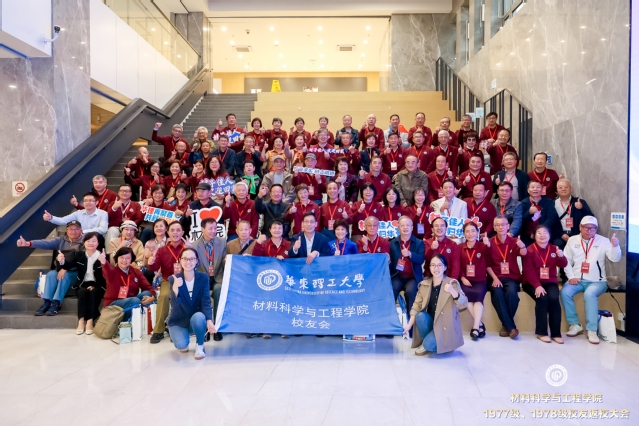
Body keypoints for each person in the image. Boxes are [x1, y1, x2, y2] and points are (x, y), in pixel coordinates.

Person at [561, 216, 622, 344]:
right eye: (586, 227)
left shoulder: (603, 241)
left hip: (598, 281)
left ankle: (592, 330)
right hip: (577, 279)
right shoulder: (572, 240)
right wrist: (571, 277)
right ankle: (575, 324)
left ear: (596, 229)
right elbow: (566, 261)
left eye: (592, 228)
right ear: (580, 227)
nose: (589, 230)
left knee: (589, 294)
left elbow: (615, 258)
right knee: (565, 292)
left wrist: (615, 246)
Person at [404, 254, 468, 355]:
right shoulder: (424, 284)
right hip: (432, 323)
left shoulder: (452, 283)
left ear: (445, 267)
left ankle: (438, 344)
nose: (436, 268)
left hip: (445, 326)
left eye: (439, 265)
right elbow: (416, 306)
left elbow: (463, 304)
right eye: (433, 265)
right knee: (420, 316)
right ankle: (429, 341)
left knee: (429, 345)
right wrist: (409, 325)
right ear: (429, 267)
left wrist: (452, 291)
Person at [18, 221, 84, 316]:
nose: (74, 231)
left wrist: (65, 268)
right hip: (60, 269)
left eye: (76, 229)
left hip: (75, 272)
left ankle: (57, 303)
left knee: (64, 276)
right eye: (71, 229)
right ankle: (47, 302)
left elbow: (82, 258)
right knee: (51, 274)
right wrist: (28, 243)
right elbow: (46, 243)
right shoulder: (61, 240)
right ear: (67, 230)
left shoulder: (85, 241)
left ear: (81, 230)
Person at [522, 225, 568, 344]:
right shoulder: (530, 250)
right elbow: (528, 270)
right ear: (533, 236)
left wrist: (561, 256)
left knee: (554, 299)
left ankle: (556, 333)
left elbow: (563, 264)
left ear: (549, 235)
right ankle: (542, 332)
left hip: (550, 281)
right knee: (542, 298)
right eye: (539, 233)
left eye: (545, 233)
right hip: (531, 282)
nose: (542, 235)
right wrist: (537, 286)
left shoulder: (554, 249)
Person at [167, 248, 216, 360]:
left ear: (197, 260)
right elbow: (174, 305)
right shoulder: (174, 279)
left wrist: (209, 320)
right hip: (179, 320)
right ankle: (184, 337)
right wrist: (175, 289)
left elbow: (206, 301)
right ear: (180, 260)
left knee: (199, 317)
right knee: (181, 345)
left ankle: (200, 345)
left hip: (196, 319)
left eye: (192, 259)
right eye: (185, 259)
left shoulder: (203, 277)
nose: (188, 262)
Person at [147, 222, 188, 343]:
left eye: (178, 230)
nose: (175, 233)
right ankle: (158, 330)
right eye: (172, 230)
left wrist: (191, 250)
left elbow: (197, 264)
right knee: (164, 296)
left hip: (186, 280)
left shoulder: (187, 247)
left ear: (182, 232)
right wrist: (151, 262)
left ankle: (181, 327)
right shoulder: (162, 250)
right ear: (168, 232)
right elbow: (154, 267)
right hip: (168, 280)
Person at [487, 215, 527, 339]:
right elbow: (487, 265)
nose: (501, 227)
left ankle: (506, 326)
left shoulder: (514, 241)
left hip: (511, 277)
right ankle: (511, 327)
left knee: (512, 294)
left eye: (503, 224)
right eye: (497, 225)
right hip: (495, 277)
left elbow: (523, 254)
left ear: (508, 226)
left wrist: (523, 246)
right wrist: (495, 278)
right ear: (494, 227)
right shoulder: (490, 242)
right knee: (497, 293)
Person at [458, 222, 495, 340]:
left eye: (473, 231)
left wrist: (488, 245)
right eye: (467, 231)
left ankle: (475, 327)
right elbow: (457, 265)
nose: (470, 234)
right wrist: (462, 277)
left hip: (480, 280)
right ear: (464, 234)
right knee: (467, 298)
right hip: (465, 280)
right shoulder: (459, 247)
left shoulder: (483, 246)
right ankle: (479, 325)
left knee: (479, 299)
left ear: (478, 232)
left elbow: (490, 255)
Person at [192, 217, 226, 341]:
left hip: (217, 277)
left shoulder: (222, 242)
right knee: (203, 295)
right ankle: (205, 328)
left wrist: (226, 260)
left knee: (219, 290)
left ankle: (217, 327)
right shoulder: (194, 245)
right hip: (202, 279)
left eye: (215, 228)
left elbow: (224, 260)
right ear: (202, 229)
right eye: (210, 228)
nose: (213, 231)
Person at [66, 232, 106, 335]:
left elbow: (105, 276)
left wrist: (104, 263)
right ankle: (81, 321)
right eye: (88, 241)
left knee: (94, 293)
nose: (91, 243)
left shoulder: (102, 256)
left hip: (98, 283)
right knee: (82, 292)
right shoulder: (79, 255)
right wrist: (61, 261)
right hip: (82, 283)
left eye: (94, 241)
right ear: (84, 243)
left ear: (98, 243)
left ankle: (90, 321)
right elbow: (68, 264)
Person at [102, 247, 155, 322]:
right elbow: (106, 271)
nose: (124, 260)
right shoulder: (112, 271)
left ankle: (139, 320)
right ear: (117, 258)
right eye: (121, 257)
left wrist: (152, 297)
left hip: (131, 300)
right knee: (135, 301)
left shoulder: (136, 272)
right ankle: (124, 322)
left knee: (147, 293)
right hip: (114, 302)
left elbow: (147, 287)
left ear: (131, 259)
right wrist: (104, 262)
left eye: (127, 258)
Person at [390, 216, 425, 323]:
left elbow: (421, 259)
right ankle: (391, 323)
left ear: (412, 227)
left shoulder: (419, 243)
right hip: (397, 276)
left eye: (408, 225)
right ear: (398, 228)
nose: (405, 227)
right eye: (402, 225)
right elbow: (390, 262)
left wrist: (410, 254)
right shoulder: (392, 243)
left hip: (412, 277)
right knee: (391, 290)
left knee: (410, 291)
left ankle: (411, 325)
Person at [554, 179, 594, 249]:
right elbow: (552, 222)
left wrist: (582, 208)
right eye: (560, 187)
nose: (563, 189)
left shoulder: (580, 202)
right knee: (558, 245)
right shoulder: (553, 204)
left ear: (571, 189)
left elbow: (591, 218)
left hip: (577, 234)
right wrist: (561, 234)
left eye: (566, 187)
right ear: (557, 190)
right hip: (560, 235)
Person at [520, 181, 561, 245]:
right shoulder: (522, 203)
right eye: (532, 187)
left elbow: (551, 218)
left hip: (545, 234)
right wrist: (529, 213)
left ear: (542, 190)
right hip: (528, 235)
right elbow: (520, 220)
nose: (535, 189)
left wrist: (539, 231)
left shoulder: (549, 202)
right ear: (528, 190)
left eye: (538, 187)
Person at [105, 185, 143, 249]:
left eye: (127, 191)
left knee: (130, 230)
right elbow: (107, 217)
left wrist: (129, 224)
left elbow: (139, 218)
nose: (124, 193)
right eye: (122, 191)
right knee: (111, 230)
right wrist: (114, 208)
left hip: (130, 228)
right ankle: (110, 253)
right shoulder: (112, 203)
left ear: (131, 193)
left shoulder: (136, 205)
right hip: (116, 227)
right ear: (118, 193)